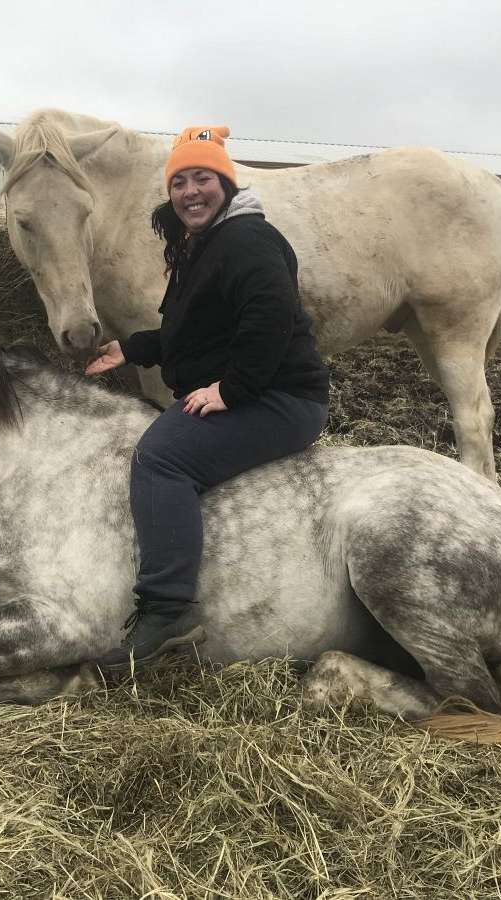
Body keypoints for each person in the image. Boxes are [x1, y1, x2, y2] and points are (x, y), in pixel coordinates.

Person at [85, 125, 329, 670]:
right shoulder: (204, 244)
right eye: (180, 183)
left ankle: (169, 610)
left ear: (226, 183)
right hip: (257, 389)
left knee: (161, 458)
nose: (190, 192)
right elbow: (193, 329)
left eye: (203, 179)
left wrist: (232, 389)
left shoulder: (247, 240)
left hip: (280, 398)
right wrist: (133, 348)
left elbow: (271, 316)